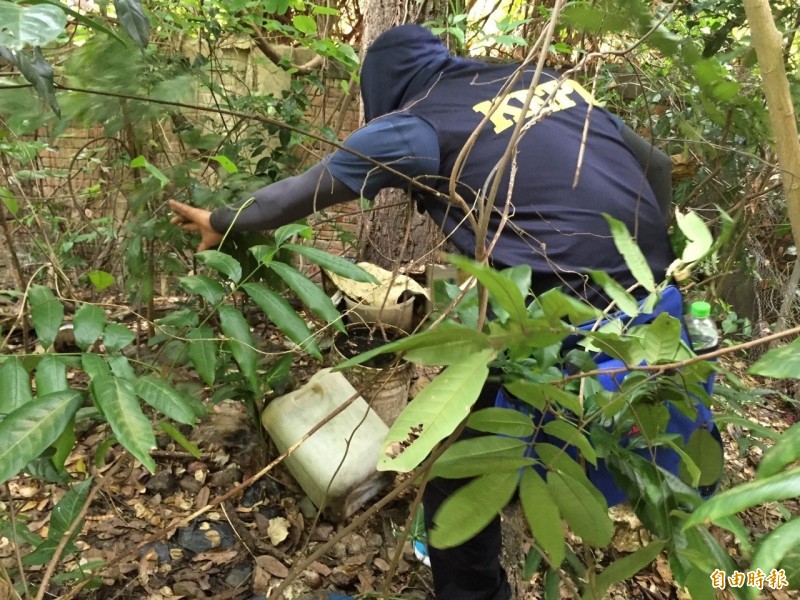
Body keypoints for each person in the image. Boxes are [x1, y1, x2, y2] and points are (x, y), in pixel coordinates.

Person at [170, 24, 676, 600]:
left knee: (460, 484)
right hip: (653, 300)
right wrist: (650, 260)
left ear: (383, 86)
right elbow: (655, 165)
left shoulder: (415, 122)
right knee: (646, 448)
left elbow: (303, 191)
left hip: (557, 322)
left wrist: (220, 219)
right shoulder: (541, 80)